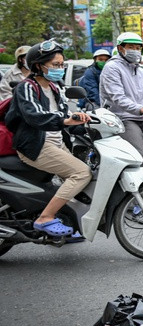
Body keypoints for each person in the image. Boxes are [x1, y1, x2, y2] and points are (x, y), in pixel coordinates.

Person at [4, 40, 91, 237]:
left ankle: (69, 223)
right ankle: (45, 218)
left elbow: (65, 114)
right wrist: (65, 120)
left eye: (61, 65)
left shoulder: (55, 87)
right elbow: (35, 116)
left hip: (57, 143)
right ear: (38, 66)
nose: (59, 69)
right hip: (35, 145)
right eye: (55, 65)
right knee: (81, 174)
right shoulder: (26, 87)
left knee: (82, 180)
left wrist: (83, 121)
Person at [99, 32, 143, 166]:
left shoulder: (140, 70)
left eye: (138, 48)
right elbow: (118, 97)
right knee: (140, 155)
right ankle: (142, 179)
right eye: (131, 47)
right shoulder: (112, 68)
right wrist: (141, 109)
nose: (135, 51)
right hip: (123, 118)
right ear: (120, 48)